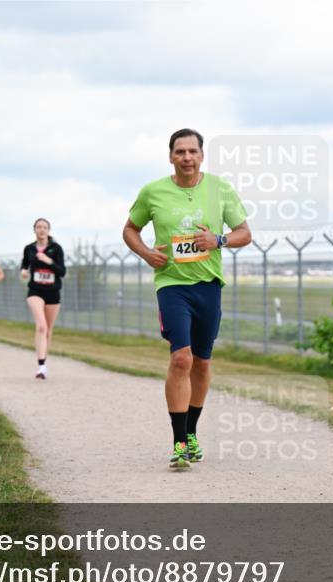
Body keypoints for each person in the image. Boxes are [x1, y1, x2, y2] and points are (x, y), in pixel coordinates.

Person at [122, 128, 252, 469]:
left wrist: (218, 240)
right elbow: (130, 229)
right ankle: (179, 442)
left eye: (192, 151)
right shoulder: (153, 192)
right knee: (181, 358)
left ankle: (191, 432)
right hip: (172, 285)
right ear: (170, 157)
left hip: (208, 285)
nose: (186, 157)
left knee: (202, 362)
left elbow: (245, 233)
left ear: (202, 156)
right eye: (180, 152)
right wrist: (146, 253)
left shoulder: (220, 189)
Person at [20, 218, 66, 379]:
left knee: (48, 330)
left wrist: (49, 261)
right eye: (39, 227)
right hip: (35, 291)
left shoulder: (56, 248)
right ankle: (40, 366)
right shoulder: (29, 248)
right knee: (41, 326)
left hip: (53, 292)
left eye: (45, 227)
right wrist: (23, 271)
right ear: (34, 229)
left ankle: (43, 364)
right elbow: (24, 264)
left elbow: (62, 271)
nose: (41, 229)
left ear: (48, 230)